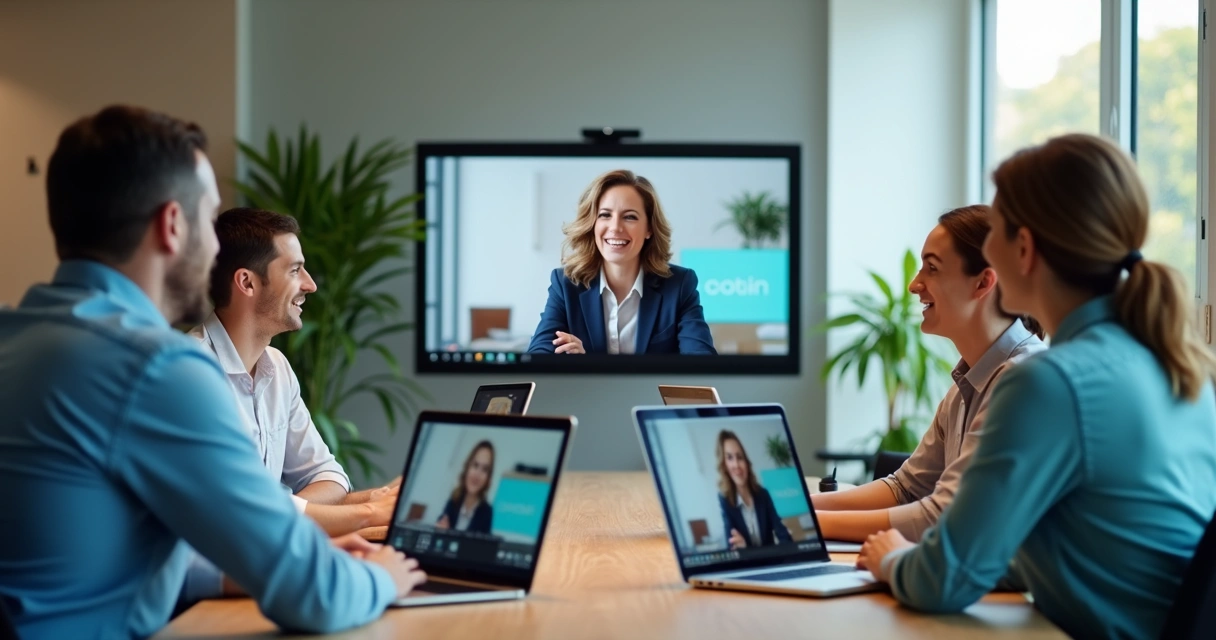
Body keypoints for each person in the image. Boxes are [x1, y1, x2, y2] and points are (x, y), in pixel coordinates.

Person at [0, 105, 425, 639]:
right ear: (173, 225)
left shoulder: (14, 339)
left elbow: (100, 552)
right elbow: (314, 597)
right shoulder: (155, 368)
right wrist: (380, 575)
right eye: (208, 218)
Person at [856, 134, 1216, 639]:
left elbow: (944, 580)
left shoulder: (1050, 383)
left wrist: (892, 558)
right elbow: (1084, 545)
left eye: (994, 233)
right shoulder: (1175, 362)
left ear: (1022, 249)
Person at [179, 207, 402, 604]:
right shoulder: (190, 377)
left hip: (252, 578)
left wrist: (284, 510)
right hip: (200, 600)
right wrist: (366, 512)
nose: (311, 285)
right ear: (247, 282)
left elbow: (328, 475)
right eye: (295, 270)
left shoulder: (277, 368)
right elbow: (231, 513)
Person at [811, 205, 1046, 542]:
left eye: (932, 268)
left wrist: (806, 525)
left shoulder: (1021, 379)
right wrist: (800, 508)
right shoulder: (967, 383)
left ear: (983, 282)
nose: (914, 284)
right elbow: (906, 487)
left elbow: (941, 516)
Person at [526, 169, 716, 355]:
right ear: (592, 224)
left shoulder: (680, 284)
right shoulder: (566, 283)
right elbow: (538, 353)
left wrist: (589, 366)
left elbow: (702, 361)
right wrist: (570, 362)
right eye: (605, 215)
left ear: (649, 228)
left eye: (630, 217)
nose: (615, 227)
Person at [716, 430, 791, 549]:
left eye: (740, 457)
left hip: (771, 563)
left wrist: (746, 547)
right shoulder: (725, 500)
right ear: (724, 465)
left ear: (746, 462)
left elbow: (784, 535)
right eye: (729, 458)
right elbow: (731, 548)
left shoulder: (763, 495)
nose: (736, 465)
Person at [435, 441, 495, 534]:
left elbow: (485, 546)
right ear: (467, 467)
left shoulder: (487, 512)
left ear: (488, 478)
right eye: (475, 465)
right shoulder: (453, 501)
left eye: (485, 469)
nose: (477, 474)